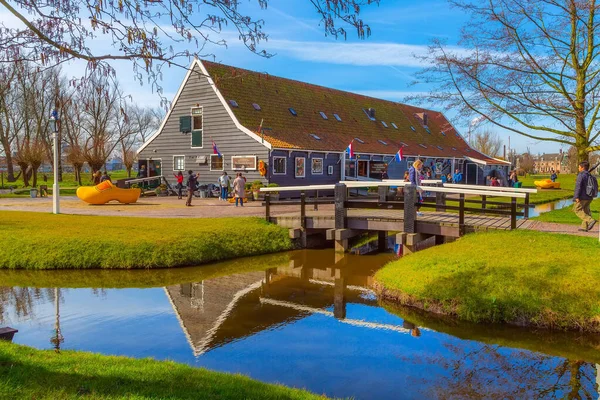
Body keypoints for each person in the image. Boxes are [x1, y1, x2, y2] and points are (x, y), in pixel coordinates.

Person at [573, 161, 596, 231]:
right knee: (585, 211)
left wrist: (576, 197)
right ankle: (584, 227)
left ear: (582, 168)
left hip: (582, 197)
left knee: (576, 209)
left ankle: (590, 220)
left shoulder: (581, 175)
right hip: (589, 196)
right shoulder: (590, 175)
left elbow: (578, 186)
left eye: (579, 167)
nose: (578, 168)